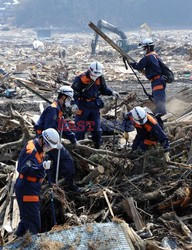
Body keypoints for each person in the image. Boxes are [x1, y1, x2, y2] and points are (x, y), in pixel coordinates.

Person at [15, 128, 61, 237]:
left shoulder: (39, 149)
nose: (49, 149)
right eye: (49, 146)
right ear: (43, 140)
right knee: (33, 224)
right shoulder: (31, 150)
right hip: (27, 188)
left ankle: (17, 243)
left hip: (32, 187)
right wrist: (42, 166)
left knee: (26, 220)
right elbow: (24, 169)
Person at [34, 85, 80, 192]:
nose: (69, 102)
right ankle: (71, 185)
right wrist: (56, 143)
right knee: (66, 160)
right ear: (63, 97)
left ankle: (53, 184)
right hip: (46, 140)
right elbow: (49, 129)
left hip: (48, 139)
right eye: (68, 99)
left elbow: (63, 125)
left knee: (53, 163)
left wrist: (72, 138)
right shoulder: (53, 110)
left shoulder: (58, 109)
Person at [71, 61, 120, 149]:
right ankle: (78, 148)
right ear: (90, 70)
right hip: (82, 105)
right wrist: (73, 104)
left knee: (96, 129)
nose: (95, 76)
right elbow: (73, 93)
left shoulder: (100, 78)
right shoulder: (80, 78)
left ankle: (97, 147)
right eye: (94, 74)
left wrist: (112, 92)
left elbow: (104, 89)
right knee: (80, 129)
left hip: (94, 106)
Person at [129, 38, 166, 127]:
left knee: (159, 102)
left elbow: (139, 66)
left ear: (148, 48)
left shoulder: (149, 57)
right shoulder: (155, 56)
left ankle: (160, 123)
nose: (143, 50)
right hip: (158, 81)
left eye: (144, 48)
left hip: (157, 82)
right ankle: (160, 118)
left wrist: (131, 63)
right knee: (158, 99)